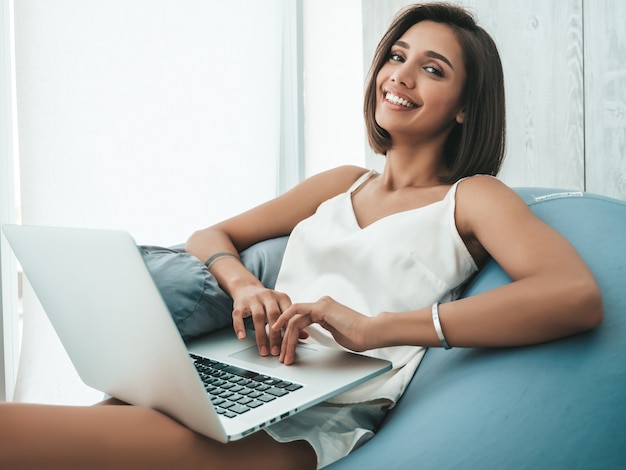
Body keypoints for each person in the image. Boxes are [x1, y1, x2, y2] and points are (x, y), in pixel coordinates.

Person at [0, 3, 602, 469]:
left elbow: (573, 296)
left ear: (466, 106)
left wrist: (377, 328)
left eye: (432, 68)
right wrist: (242, 288)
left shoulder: (470, 197)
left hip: (320, 414)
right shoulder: (341, 183)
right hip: (248, 374)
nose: (402, 76)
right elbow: (211, 234)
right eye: (397, 55)